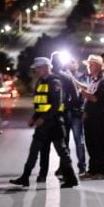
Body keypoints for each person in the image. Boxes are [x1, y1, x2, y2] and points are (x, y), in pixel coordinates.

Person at [9, 57, 79, 188]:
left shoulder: (54, 82)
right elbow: (41, 104)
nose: (36, 70)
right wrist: (35, 117)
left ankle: (71, 178)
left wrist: (42, 118)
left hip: (55, 123)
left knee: (62, 152)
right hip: (44, 124)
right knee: (34, 150)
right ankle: (25, 177)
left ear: (46, 67)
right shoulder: (41, 81)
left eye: (38, 67)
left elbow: (56, 105)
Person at [78, 54, 104, 180]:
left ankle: (101, 171)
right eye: (89, 65)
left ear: (98, 66)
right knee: (91, 144)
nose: (89, 67)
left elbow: (94, 97)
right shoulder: (94, 79)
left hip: (100, 117)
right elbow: (88, 89)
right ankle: (92, 170)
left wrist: (82, 93)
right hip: (91, 117)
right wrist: (74, 82)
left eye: (91, 65)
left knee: (100, 145)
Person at [66, 57, 89, 175]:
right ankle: (64, 167)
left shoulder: (82, 76)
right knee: (64, 141)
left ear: (77, 65)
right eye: (69, 63)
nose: (70, 65)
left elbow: (85, 89)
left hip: (76, 112)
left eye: (73, 62)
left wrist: (71, 79)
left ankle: (82, 166)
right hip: (65, 111)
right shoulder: (63, 75)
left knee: (78, 140)